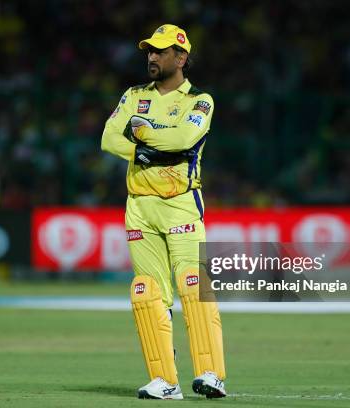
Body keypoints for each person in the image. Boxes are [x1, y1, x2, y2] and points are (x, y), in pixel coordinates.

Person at [101, 24, 226, 399]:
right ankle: (165, 381)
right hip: (139, 206)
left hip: (180, 205)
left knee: (192, 283)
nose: (152, 57)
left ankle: (211, 374)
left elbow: (183, 140)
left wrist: (141, 133)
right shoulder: (134, 95)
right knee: (146, 291)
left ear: (181, 57)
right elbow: (108, 139)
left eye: (160, 51)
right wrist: (151, 149)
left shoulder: (199, 101)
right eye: (149, 51)